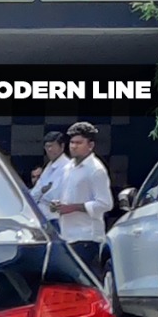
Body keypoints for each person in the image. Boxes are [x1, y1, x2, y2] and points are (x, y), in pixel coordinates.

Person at [48, 121, 113, 283]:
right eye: (72, 142)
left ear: (90, 145)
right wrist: (57, 206)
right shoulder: (68, 167)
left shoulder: (95, 169)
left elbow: (105, 203)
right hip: (67, 235)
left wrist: (73, 208)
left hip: (86, 237)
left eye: (79, 143)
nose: (74, 146)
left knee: (87, 283)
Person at [30, 131, 71, 228]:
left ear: (62, 146)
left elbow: (55, 196)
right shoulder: (49, 166)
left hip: (56, 218)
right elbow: (34, 193)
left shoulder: (68, 167)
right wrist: (42, 191)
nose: (49, 149)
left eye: (52, 146)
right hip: (43, 217)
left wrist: (42, 193)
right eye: (47, 146)